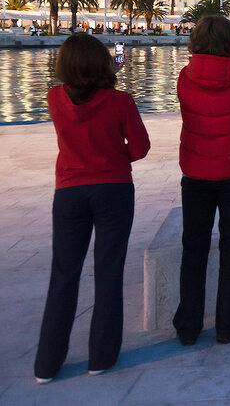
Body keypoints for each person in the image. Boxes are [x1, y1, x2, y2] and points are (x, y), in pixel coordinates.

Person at [35, 34, 150, 384]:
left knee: (63, 276)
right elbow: (141, 147)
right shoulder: (121, 102)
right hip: (113, 189)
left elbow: (82, 92)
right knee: (108, 272)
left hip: (69, 191)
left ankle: (47, 366)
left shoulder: (54, 98)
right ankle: (101, 357)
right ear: (102, 64)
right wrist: (116, 158)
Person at [173, 14, 230, 346]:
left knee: (193, 249)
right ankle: (229, 325)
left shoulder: (185, 76)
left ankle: (188, 327)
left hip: (195, 172)